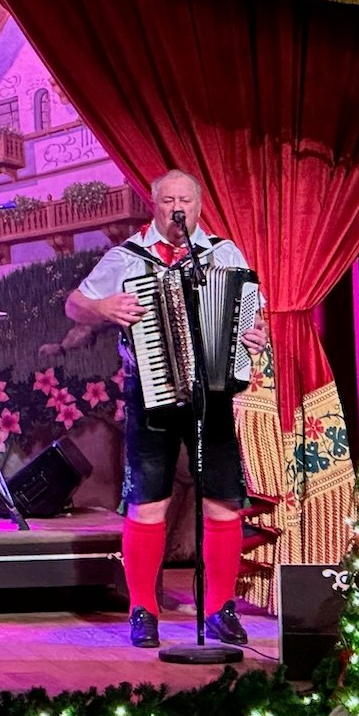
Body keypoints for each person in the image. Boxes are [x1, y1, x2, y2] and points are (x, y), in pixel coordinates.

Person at [64, 169, 269, 649]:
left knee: (223, 502)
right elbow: (75, 304)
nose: (178, 208)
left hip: (213, 394)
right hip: (149, 393)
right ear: (154, 205)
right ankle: (143, 610)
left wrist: (254, 336)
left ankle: (219, 608)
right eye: (167, 200)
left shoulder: (223, 254)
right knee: (148, 501)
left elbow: (249, 315)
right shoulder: (126, 256)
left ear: (199, 206)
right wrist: (103, 309)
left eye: (186, 200)